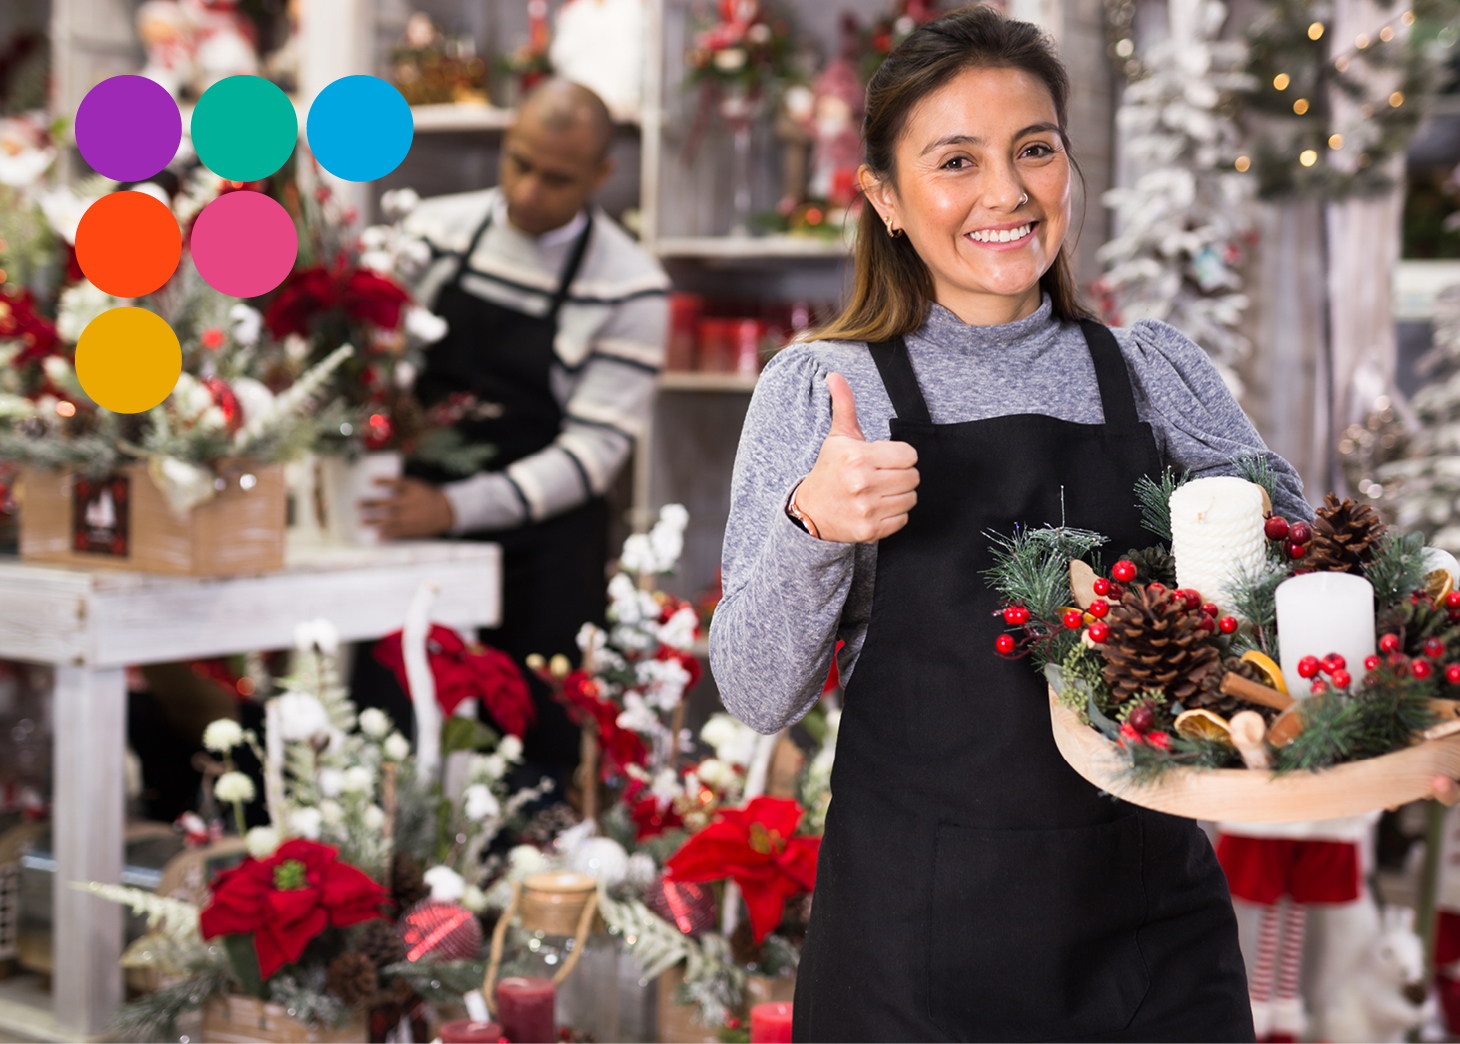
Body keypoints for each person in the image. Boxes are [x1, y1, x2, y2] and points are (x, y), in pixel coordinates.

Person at [711, 7, 1297, 1040]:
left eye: (1033, 149)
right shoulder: (825, 389)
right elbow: (756, 695)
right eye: (954, 161)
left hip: (1148, 934)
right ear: (884, 198)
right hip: (914, 947)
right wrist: (813, 526)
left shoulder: (1153, 372)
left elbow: (1298, 599)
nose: (1005, 193)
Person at [355, 79, 669, 780]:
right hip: (416, 535)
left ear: (601, 175)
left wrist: (456, 508)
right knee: (389, 740)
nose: (529, 191)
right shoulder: (432, 234)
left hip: (543, 559)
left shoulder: (630, 285)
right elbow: (371, 362)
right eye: (518, 163)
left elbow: (593, 455)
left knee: (529, 759)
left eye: (557, 179)